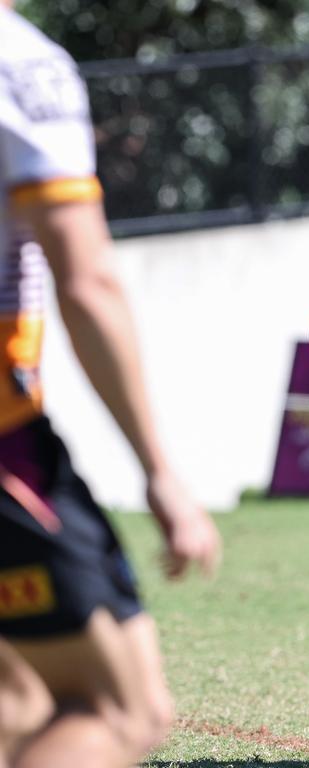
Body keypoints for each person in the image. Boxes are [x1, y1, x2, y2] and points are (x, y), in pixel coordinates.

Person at [0, 7, 221, 767]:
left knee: (18, 701)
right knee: (121, 710)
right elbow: (86, 280)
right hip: (5, 444)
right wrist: (160, 469)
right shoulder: (21, 65)